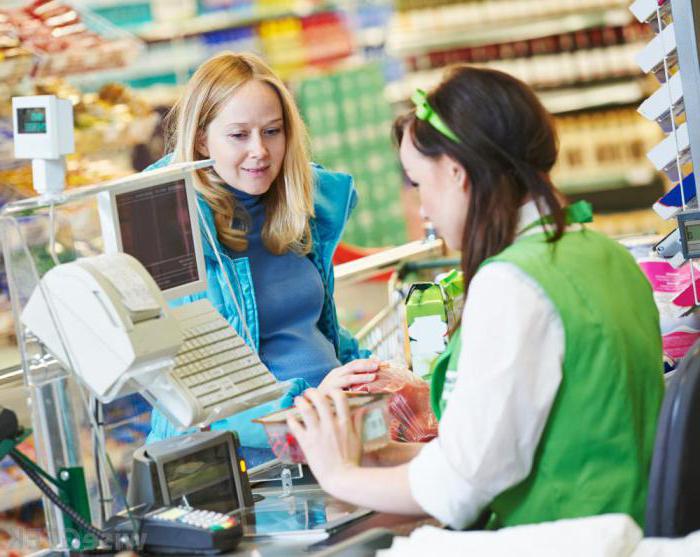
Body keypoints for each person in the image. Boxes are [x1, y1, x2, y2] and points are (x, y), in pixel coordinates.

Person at [288, 65, 665, 530]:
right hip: (623, 522)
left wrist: (339, 474)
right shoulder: (604, 254)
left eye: (418, 183)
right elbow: (506, 448)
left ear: (455, 172)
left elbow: (458, 491)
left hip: (563, 531)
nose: (422, 209)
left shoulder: (513, 285)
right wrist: (389, 453)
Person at [145, 52, 379, 465]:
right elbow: (198, 396)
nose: (260, 151)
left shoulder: (296, 207)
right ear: (201, 139)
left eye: (272, 131)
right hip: (245, 464)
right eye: (239, 135)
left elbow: (308, 330)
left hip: (323, 437)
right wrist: (311, 401)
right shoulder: (172, 229)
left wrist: (365, 370)